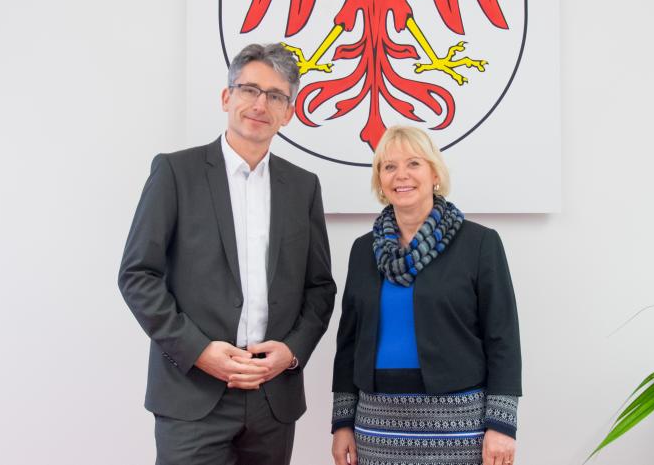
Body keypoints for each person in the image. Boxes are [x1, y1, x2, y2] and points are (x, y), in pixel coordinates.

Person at [119, 43, 336, 465]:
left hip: (273, 401)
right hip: (191, 395)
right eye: (249, 89)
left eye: (275, 96)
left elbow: (320, 288)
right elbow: (137, 275)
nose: (260, 104)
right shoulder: (175, 172)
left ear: (289, 112)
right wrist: (199, 351)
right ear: (226, 97)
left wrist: (290, 353)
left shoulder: (303, 186)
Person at [331, 125, 522, 465]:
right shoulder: (363, 250)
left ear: (434, 172)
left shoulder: (479, 244)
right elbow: (348, 342)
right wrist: (343, 423)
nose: (401, 175)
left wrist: (502, 424)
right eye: (389, 167)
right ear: (380, 180)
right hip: (377, 425)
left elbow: (503, 338)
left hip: (459, 424)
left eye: (413, 164)